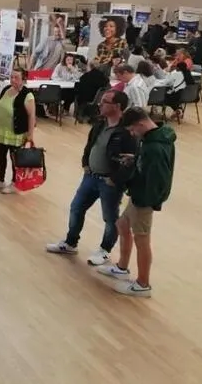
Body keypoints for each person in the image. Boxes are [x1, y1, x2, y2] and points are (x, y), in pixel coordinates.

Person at [46, 90, 137, 265]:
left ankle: (105, 250)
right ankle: (70, 242)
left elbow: (130, 161)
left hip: (109, 183)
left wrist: (115, 179)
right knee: (76, 208)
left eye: (105, 101)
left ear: (117, 106)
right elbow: (90, 145)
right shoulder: (100, 123)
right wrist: (85, 163)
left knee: (110, 218)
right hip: (90, 177)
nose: (100, 104)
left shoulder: (127, 132)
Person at [96, 107, 175, 298]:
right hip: (139, 195)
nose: (132, 134)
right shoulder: (152, 139)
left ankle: (143, 284)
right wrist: (137, 158)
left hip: (144, 199)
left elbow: (157, 178)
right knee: (122, 224)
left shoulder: (154, 148)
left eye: (132, 129)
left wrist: (147, 200)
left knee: (142, 239)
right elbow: (149, 166)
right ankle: (122, 268)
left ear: (141, 123)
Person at [0, 69, 36, 194]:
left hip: (16, 133)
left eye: (16, 77)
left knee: (15, 159)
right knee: (1, 155)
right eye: (11, 77)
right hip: (2, 131)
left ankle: (15, 183)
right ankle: (0, 179)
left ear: (23, 79)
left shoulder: (27, 95)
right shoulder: (6, 89)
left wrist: (30, 135)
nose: (13, 80)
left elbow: (31, 116)